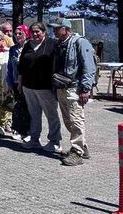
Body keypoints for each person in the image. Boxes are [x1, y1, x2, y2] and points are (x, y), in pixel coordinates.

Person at [49, 19, 96, 166]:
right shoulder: (59, 44)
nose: (54, 31)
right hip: (61, 87)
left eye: (57, 29)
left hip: (75, 88)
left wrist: (85, 89)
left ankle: (77, 153)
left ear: (66, 29)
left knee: (76, 120)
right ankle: (82, 147)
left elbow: (89, 67)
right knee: (68, 120)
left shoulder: (80, 43)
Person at [18, 22, 62, 153]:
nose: (35, 34)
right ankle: (34, 139)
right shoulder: (28, 45)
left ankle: (55, 141)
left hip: (45, 87)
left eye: (38, 31)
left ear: (44, 32)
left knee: (51, 114)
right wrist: (20, 83)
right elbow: (21, 65)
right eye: (33, 32)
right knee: (34, 114)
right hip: (28, 86)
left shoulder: (52, 44)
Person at [5, 25, 31, 141]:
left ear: (26, 34)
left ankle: (29, 131)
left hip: (29, 82)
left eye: (20, 33)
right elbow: (10, 67)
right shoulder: (13, 49)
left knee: (29, 107)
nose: (18, 36)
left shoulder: (31, 47)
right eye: (16, 34)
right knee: (18, 106)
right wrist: (9, 82)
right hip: (16, 81)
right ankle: (19, 130)